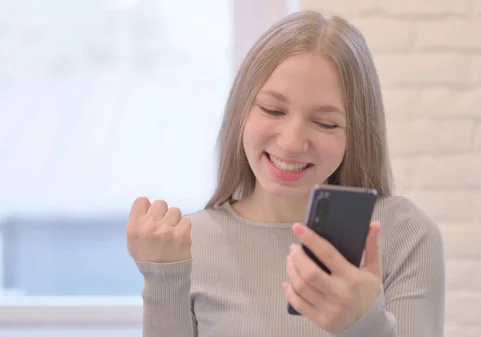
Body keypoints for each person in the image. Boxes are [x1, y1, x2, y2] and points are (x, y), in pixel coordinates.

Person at [126, 9, 445, 337]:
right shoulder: (189, 244)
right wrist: (162, 277)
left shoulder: (404, 235)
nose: (291, 143)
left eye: (325, 122)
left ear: (357, 134)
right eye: (273, 110)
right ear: (242, 109)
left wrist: (365, 325)